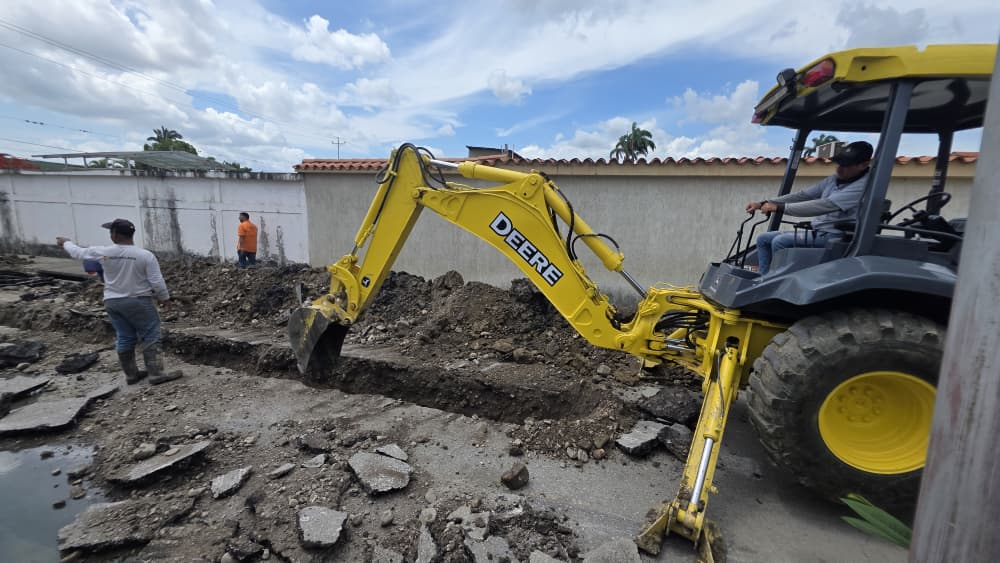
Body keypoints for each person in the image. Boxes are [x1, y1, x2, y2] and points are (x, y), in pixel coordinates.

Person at [56, 219, 181, 385]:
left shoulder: (104, 252)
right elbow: (156, 281)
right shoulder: (145, 255)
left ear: (115, 234)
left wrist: (66, 242)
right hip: (138, 300)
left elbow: (77, 253)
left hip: (113, 302)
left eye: (111, 232)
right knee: (151, 334)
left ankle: (131, 375)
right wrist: (164, 298)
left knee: (125, 336)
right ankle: (156, 374)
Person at [746, 140, 874, 275]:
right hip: (818, 232)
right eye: (839, 163)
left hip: (836, 237)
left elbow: (824, 205)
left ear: (863, 165)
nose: (839, 168)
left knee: (780, 241)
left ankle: (774, 282)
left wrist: (779, 208)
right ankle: (763, 277)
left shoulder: (863, 186)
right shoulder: (834, 179)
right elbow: (804, 195)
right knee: (763, 238)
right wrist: (764, 203)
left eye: (846, 165)